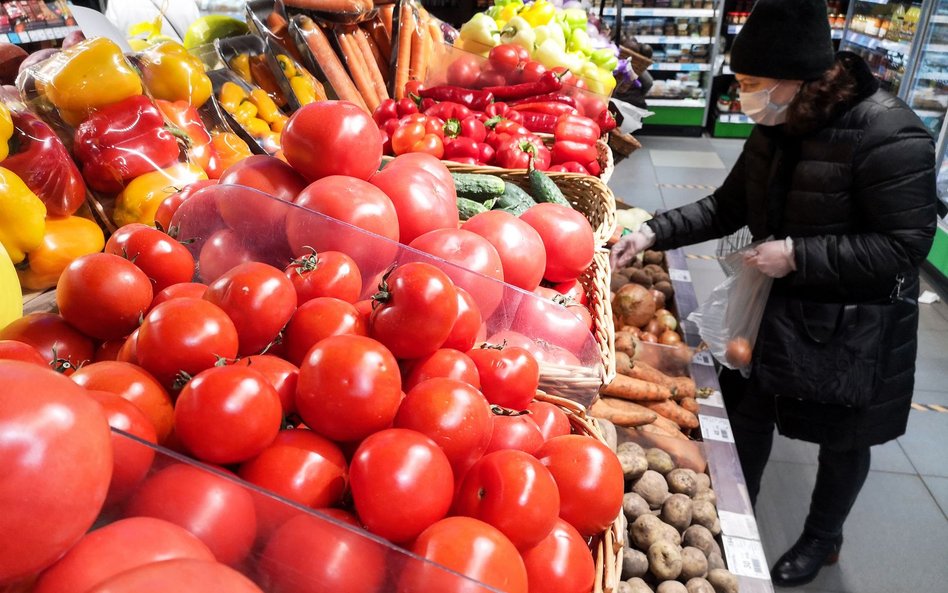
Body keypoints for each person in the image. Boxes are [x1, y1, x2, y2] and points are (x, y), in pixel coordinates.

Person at [611, 0, 938, 587]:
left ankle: (822, 538)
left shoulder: (890, 131)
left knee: (845, 437)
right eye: (740, 83)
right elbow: (728, 205)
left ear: (798, 78)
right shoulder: (775, 126)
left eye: (752, 84)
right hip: (778, 310)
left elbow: (905, 244)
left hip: (857, 325)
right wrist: (651, 230)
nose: (743, 97)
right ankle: (742, 515)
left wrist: (798, 255)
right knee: (750, 411)